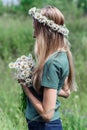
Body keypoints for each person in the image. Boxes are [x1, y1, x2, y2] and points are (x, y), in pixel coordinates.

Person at [19, 6, 75, 130]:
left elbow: (47, 114)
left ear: (45, 31)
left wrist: (26, 88)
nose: (34, 35)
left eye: (36, 30)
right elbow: (66, 91)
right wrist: (37, 83)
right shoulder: (62, 54)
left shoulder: (51, 63)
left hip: (44, 126)